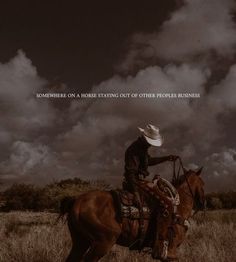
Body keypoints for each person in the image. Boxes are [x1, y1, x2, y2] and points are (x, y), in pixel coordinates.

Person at [123, 124, 178, 249]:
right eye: (151, 142)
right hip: (136, 183)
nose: (151, 144)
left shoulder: (142, 148)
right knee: (167, 203)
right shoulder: (134, 150)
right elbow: (130, 172)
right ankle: (158, 241)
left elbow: (149, 161)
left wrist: (167, 158)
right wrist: (135, 192)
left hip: (139, 182)